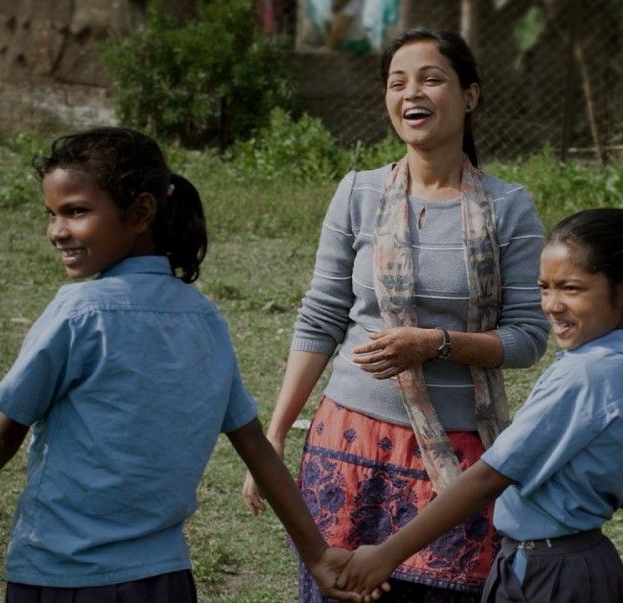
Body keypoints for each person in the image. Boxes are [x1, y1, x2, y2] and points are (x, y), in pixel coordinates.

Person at [0, 127, 363, 602]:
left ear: (139, 213)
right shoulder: (205, 318)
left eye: (76, 211)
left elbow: (0, 435)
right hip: (164, 581)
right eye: (51, 214)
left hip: (62, 576)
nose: (57, 230)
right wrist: (317, 554)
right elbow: (255, 446)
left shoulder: (79, 314)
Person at [239, 28, 548, 602]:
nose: (413, 94)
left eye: (432, 79)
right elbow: (322, 318)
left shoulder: (510, 207)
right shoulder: (357, 193)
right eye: (397, 82)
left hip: (456, 460)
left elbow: (529, 336)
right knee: (340, 588)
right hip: (348, 445)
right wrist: (276, 435)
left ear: (471, 96)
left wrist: (437, 343)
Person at [337, 207, 623, 603]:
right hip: (586, 570)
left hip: (548, 577)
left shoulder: (585, 376)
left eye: (571, 289)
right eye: (545, 287)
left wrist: (387, 554)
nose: (552, 305)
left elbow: (490, 477)